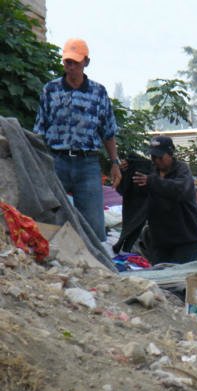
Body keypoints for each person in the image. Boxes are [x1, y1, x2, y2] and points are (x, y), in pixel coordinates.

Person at [34, 38, 121, 242]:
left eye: (75, 62)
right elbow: (39, 129)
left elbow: (108, 131)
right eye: (67, 62)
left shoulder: (98, 92)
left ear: (86, 62)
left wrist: (115, 162)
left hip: (87, 163)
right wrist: (38, 161)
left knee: (94, 226)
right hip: (56, 160)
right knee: (51, 218)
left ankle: (95, 266)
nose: (71, 67)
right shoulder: (50, 90)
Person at [131, 136, 197, 264]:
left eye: (160, 157)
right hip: (161, 239)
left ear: (170, 154)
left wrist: (152, 181)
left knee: (180, 276)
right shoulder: (150, 171)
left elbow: (180, 190)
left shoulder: (182, 170)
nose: (156, 161)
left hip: (187, 237)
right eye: (153, 157)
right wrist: (127, 168)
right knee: (162, 276)